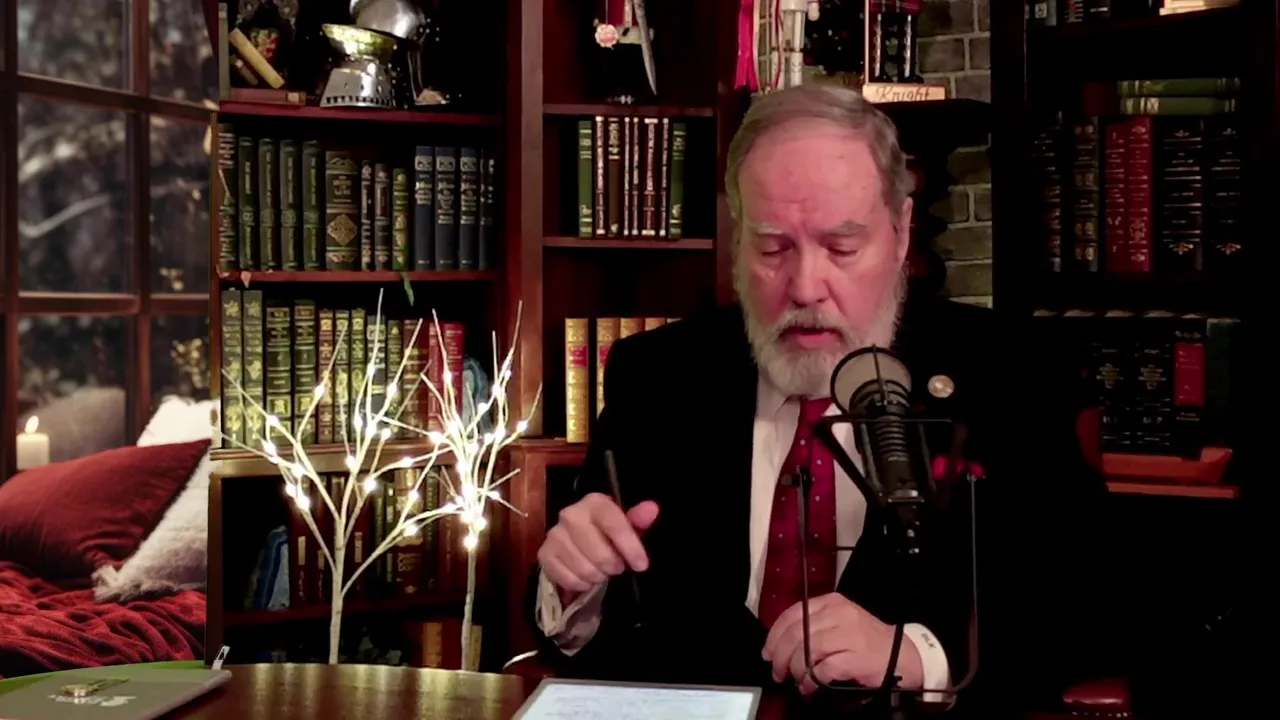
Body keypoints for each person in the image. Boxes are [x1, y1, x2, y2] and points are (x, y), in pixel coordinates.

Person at [527, 84, 1113, 711]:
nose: (805, 287)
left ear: (901, 232)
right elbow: (610, 628)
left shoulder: (1011, 372)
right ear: (738, 239)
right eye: (773, 247)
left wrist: (917, 659)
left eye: (842, 248)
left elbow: (1092, 607)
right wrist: (574, 588)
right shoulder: (658, 374)